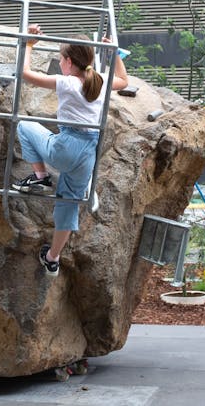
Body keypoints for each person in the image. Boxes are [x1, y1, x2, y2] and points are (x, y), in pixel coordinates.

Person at [12, 24, 129, 277]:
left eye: (60, 58)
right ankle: (52, 258)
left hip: (64, 148)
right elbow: (124, 80)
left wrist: (29, 45)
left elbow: (25, 73)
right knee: (68, 204)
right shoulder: (99, 81)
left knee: (24, 125)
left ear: (67, 61)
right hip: (88, 154)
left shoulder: (66, 82)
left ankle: (41, 177)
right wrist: (114, 53)